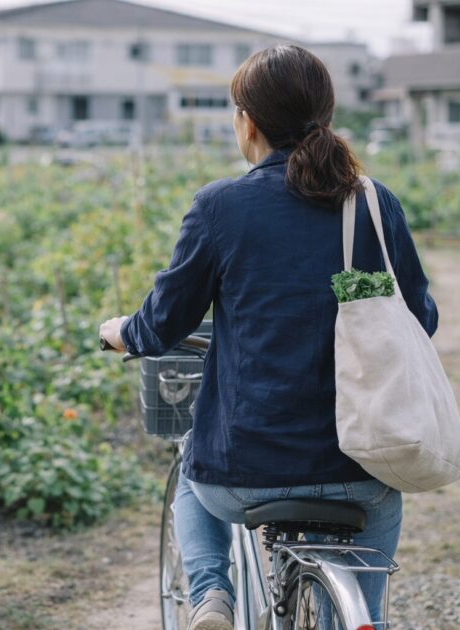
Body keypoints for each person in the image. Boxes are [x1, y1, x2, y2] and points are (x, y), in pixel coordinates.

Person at [100, 45, 437, 630]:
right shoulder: (373, 204)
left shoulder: (221, 207)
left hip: (243, 471)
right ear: (324, 118)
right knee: (367, 589)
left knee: (190, 463)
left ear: (247, 122)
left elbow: (162, 324)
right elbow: (420, 319)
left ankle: (211, 595)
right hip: (365, 459)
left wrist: (120, 333)